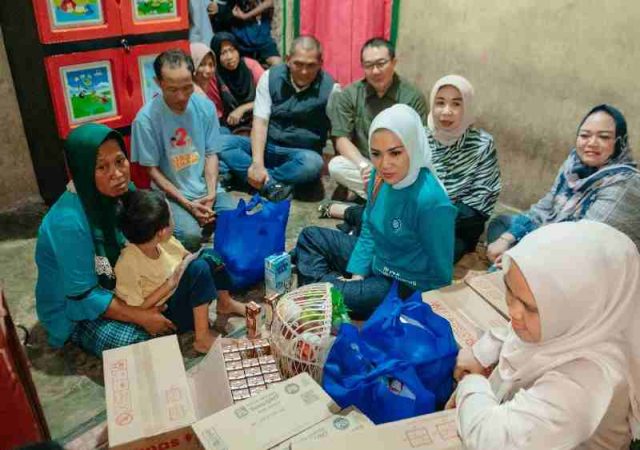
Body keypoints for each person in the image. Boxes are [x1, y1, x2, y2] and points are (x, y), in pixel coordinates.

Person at [449, 220, 640, 449]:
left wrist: (471, 383)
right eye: (509, 288)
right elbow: (512, 332)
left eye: (531, 307)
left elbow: (492, 440)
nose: (513, 312)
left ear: (586, 309)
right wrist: (483, 351)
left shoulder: (588, 381)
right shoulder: (575, 323)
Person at [293, 105, 455, 319]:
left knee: (325, 290)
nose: (384, 164)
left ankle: (324, 291)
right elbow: (369, 227)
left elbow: (441, 273)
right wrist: (357, 276)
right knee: (310, 237)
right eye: (376, 154)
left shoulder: (431, 201)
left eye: (395, 153)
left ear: (413, 146)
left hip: (401, 283)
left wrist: (420, 310)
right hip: (377, 259)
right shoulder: (379, 178)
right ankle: (331, 294)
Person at [35, 124, 174, 357]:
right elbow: (83, 295)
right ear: (82, 170)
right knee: (138, 344)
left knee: (187, 288)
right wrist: (140, 316)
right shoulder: (67, 222)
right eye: (102, 167)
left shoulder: (123, 192)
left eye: (120, 161)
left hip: (122, 284)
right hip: (75, 311)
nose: (117, 174)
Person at [486, 104, 640, 263]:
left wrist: (519, 257)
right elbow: (545, 208)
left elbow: (583, 244)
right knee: (502, 224)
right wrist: (507, 238)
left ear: (620, 142)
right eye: (585, 135)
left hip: (586, 260)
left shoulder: (624, 183)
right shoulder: (574, 165)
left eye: (604, 137)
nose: (592, 143)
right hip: (554, 239)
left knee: (510, 256)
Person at [131, 49, 236, 252]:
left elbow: (211, 154)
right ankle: (197, 226)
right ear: (158, 83)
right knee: (190, 237)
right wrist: (188, 204)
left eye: (187, 87)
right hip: (172, 196)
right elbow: (151, 170)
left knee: (236, 220)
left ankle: (207, 221)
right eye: (172, 89)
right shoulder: (145, 120)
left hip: (207, 189)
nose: (181, 96)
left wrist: (211, 194)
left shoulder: (205, 107)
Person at [115, 190, 245, 353]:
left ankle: (225, 303)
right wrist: (170, 283)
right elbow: (137, 309)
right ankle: (202, 339)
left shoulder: (166, 241)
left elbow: (186, 256)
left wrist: (190, 264)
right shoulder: (128, 263)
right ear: (161, 231)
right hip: (167, 316)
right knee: (199, 269)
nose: (174, 220)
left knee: (210, 255)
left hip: (185, 296)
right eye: (171, 217)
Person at [219, 36, 339, 201]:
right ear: (288, 60)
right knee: (220, 143)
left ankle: (255, 180)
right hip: (269, 147)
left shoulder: (332, 89)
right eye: (298, 64)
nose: (304, 71)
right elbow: (260, 123)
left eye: (311, 65)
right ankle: (272, 185)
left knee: (313, 164)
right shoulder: (270, 78)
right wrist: (257, 163)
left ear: (320, 63)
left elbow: (337, 133)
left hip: (301, 154)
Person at [326, 37, 427, 203]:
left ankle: (377, 196)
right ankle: (388, 197)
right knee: (336, 165)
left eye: (381, 64)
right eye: (369, 65)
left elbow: (418, 144)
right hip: (366, 166)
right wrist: (363, 166)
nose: (375, 71)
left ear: (393, 63)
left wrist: (390, 167)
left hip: (398, 166)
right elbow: (341, 139)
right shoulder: (350, 94)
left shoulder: (411, 97)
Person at [427, 75, 501, 262]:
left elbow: (480, 203)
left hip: (457, 229)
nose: (446, 111)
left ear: (467, 107)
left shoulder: (482, 144)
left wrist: (437, 217)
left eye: (456, 104)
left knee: (431, 259)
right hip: (414, 220)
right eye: (440, 102)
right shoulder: (420, 138)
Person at [211, 32, 264, 133]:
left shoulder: (251, 66)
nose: (229, 57)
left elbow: (268, 98)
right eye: (223, 53)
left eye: (232, 50)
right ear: (217, 56)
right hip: (230, 126)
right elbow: (217, 112)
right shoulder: (215, 76)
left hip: (257, 120)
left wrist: (242, 108)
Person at [208, 0, 281, 66]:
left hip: (261, 36)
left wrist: (245, 16)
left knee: (278, 65)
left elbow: (269, 2)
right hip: (240, 38)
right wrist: (218, 8)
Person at [190, 42, 224, 122]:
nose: (208, 70)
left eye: (211, 65)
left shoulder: (210, 84)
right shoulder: (194, 93)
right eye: (201, 65)